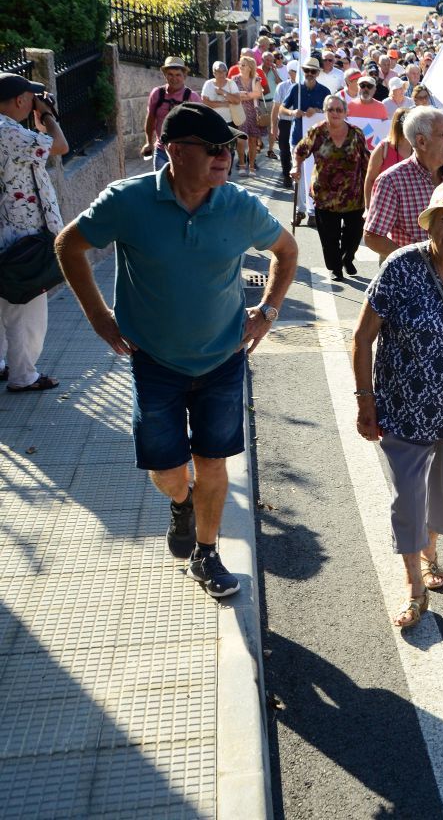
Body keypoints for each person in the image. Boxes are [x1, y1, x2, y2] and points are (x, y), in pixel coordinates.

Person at [55, 103, 299, 598]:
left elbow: (287, 252)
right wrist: (99, 317)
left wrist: (267, 312)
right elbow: (68, 245)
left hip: (224, 359)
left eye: (227, 147)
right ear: (173, 151)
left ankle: (206, 554)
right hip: (155, 363)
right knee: (167, 471)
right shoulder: (128, 201)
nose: (223, 157)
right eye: (210, 148)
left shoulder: (239, 206)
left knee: (213, 462)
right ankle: (181, 503)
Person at [352, 179, 443, 629]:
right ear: (430, 224)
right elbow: (361, 338)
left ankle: (431, 548)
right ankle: (413, 584)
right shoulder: (401, 266)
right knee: (408, 500)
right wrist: (364, 399)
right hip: (404, 408)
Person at [0, 73, 67, 392]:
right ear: (20, 100)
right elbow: (60, 145)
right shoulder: (8, 132)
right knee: (26, 311)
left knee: (4, 305)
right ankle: (23, 376)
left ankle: (4, 365)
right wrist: (49, 116)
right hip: (22, 237)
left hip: (6, 232)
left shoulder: (11, 133)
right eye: (31, 99)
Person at [365, 106, 443, 259]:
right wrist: (415, 261)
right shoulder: (392, 181)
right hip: (409, 277)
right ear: (421, 141)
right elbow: (373, 236)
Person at [294, 94, 370, 281]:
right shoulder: (317, 132)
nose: (335, 113)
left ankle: (347, 258)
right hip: (325, 195)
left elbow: (367, 161)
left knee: (354, 234)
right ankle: (335, 267)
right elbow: (300, 151)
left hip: (353, 195)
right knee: (329, 237)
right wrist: (296, 167)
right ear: (325, 111)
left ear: (345, 112)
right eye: (330, 109)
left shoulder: (356, 133)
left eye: (339, 109)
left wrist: (372, 183)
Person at [142, 56, 202, 170]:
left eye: (178, 75)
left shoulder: (192, 97)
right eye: (170, 74)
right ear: (165, 75)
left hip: (184, 153)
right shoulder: (157, 94)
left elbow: (201, 125)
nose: (174, 78)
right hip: (161, 151)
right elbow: (150, 118)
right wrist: (148, 142)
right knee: (161, 186)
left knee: (183, 187)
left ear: (184, 76)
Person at [365, 106, 412, 211]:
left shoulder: (417, 148)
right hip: (384, 205)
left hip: (409, 206)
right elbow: (370, 179)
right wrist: (368, 208)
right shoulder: (383, 148)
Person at [230, 54, 268, 174]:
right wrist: (247, 95)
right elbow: (233, 95)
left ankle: (251, 166)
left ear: (250, 67)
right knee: (240, 140)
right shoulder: (234, 79)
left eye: (243, 64)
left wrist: (242, 95)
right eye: (240, 64)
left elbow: (257, 94)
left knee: (252, 141)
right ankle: (242, 164)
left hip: (253, 113)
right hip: (239, 112)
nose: (240, 66)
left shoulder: (256, 79)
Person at [200, 62, 243, 168]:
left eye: (224, 71)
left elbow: (237, 100)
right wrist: (224, 103)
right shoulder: (208, 84)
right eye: (219, 71)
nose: (221, 73)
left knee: (229, 149)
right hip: (212, 122)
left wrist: (223, 92)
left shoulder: (231, 84)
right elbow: (205, 103)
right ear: (214, 72)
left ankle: (227, 172)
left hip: (229, 122)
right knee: (212, 148)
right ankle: (213, 169)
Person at [270, 60, 299, 185]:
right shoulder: (282, 86)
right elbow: (276, 107)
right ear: (290, 72)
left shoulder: (303, 86)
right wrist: (273, 125)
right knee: (284, 150)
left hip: (299, 122)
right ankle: (286, 175)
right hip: (285, 122)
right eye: (295, 72)